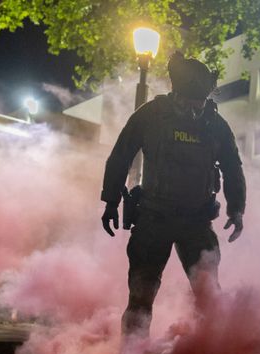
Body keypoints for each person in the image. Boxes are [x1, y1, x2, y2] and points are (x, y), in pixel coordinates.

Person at [101, 52, 246, 335]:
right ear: (175, 93)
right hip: (154, 218)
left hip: (197, 222)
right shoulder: (150, 116)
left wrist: (236, 209)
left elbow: (232, 166)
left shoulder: (215, 124)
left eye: (199, 103)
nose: (194, 109)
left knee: (209, 298)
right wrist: (110, 200)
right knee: (141, 295)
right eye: (188, 102)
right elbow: (120, 157)